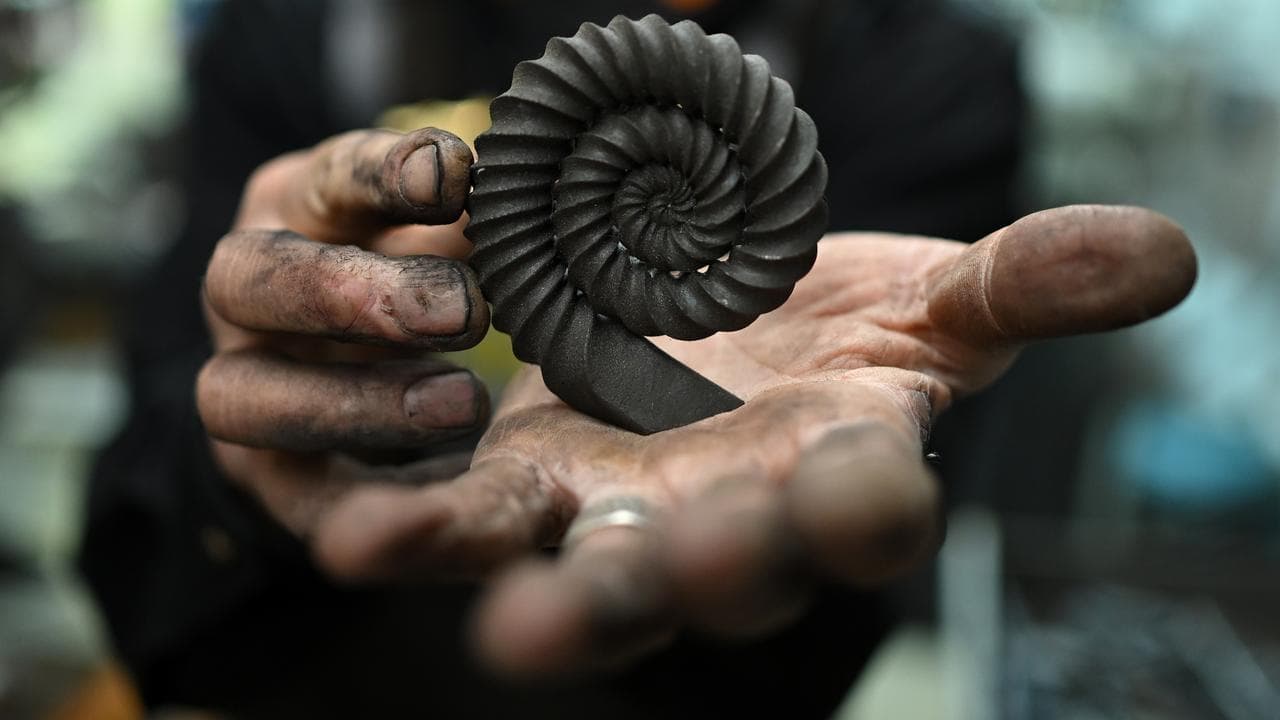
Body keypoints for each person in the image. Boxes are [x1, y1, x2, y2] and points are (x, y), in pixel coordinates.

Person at [79, 1, 1196, 717]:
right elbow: (139, 542)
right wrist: (244, 477)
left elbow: (845, 547)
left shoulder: (924, 69)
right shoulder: (299, 35)